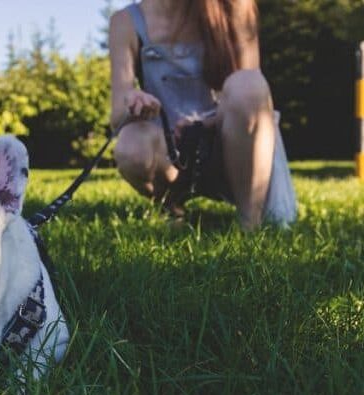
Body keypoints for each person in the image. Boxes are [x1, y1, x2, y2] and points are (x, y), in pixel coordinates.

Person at [109, 0, 297, 230]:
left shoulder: (235, 7)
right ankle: (171, 206)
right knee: (131, 144)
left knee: (248, 84)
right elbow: (117, 116)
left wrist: (204, 124)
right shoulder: (125, 22)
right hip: (171, 152)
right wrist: (133, 101)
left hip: (231, 145)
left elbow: (254, 96)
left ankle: (250, 221)